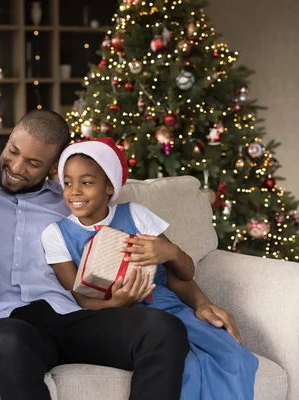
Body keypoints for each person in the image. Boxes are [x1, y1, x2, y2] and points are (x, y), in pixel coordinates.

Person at [0, 110, 193, 400]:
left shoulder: (72, 200)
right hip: (5, 322)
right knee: (8, 341)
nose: (16, 167)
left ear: (54, 166)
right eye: (13, 151)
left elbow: (152, 247)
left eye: (33, 163)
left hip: (69, 315)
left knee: (162, 328)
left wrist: (202, 302)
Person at [41, 138, 259, 399]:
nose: (74, 191)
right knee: (184, 367)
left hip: (167, 305)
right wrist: (118, 302)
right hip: (117, 317)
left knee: (235, 358)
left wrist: (171, 252)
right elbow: (81, 300)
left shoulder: (134, 214)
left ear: (109, 186)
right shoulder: (57, 234)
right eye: (67, 182)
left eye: (86, 182)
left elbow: (185, 274)